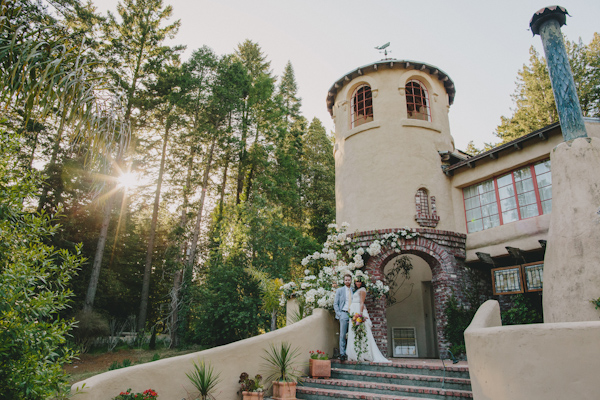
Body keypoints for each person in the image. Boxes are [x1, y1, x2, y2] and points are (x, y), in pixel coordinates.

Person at [346, 276, 391, 363]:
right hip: (353, 311)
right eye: (356, 282)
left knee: (362, 332)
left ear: (362, 282)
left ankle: (363, 354)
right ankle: (355, 353)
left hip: (358, 310)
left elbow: (362, 302)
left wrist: (360, 314)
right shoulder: (355, 290)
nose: (358, 283)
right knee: (353, 332)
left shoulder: (362, 290)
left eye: (359, 282)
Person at [333, 274, 353, 361]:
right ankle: (342, 353)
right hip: (343, 313)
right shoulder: (340, 290)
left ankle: (351, 353)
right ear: (344, 281)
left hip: (352, 314)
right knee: (343, 334)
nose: (347, 281)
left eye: (349, 280)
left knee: (352, 334)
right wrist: (339, 314)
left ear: (351, 280)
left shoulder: (354, 290)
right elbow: (335, 303)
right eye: (346, 280)